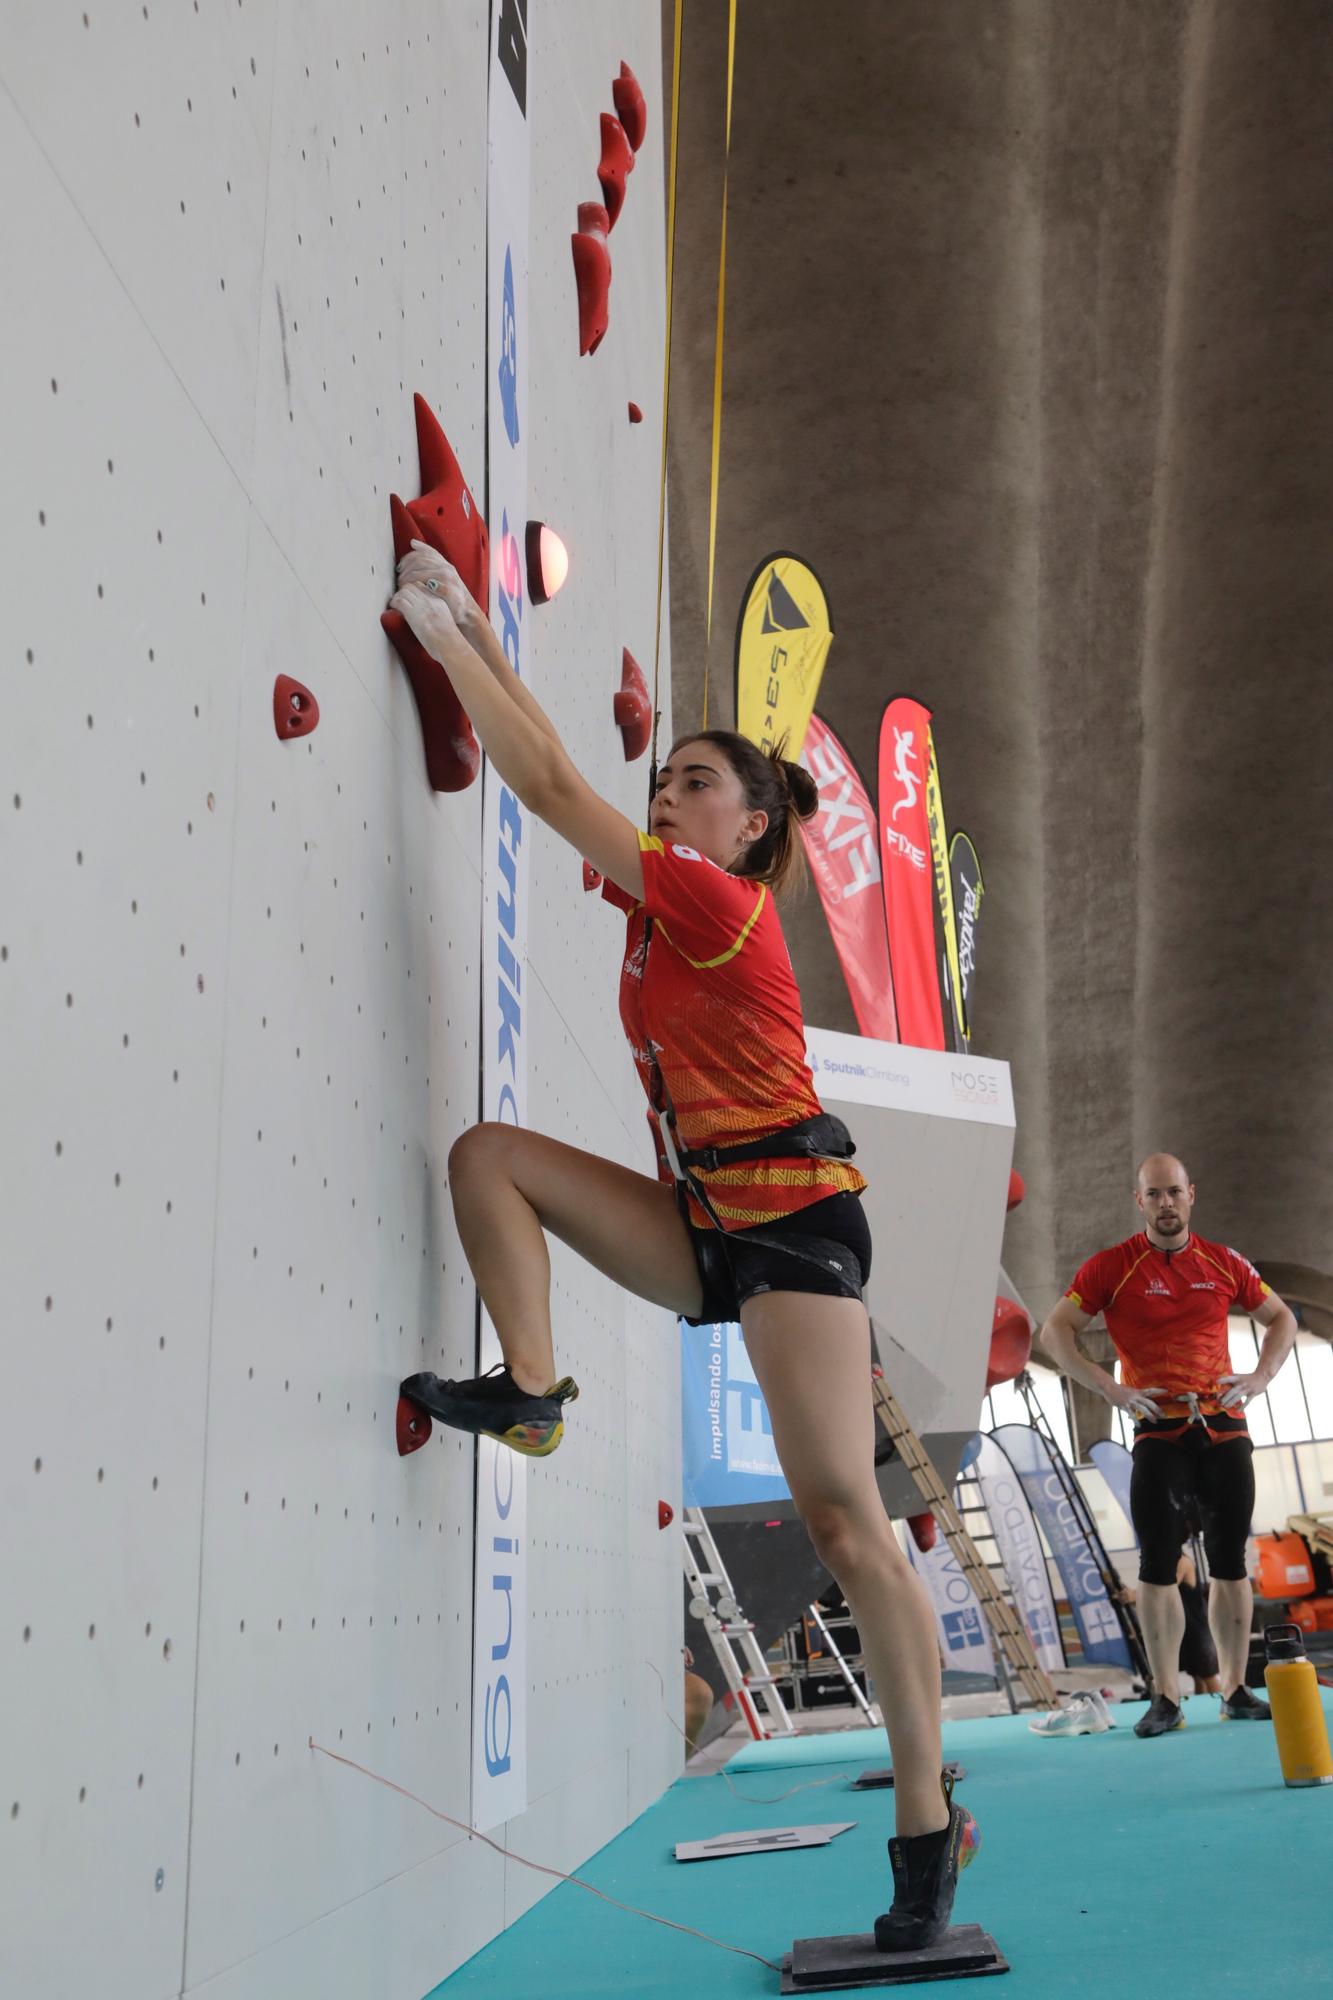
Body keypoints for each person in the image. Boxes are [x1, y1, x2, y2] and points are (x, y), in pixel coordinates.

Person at [389, 541, 979, 1949]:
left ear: (753, 830)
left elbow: (545, 789)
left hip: (788, 1228)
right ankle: (533, 1394)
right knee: (493, 1163)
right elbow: (553, 767)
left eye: (694, 785)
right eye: (664, 784)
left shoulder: (717, 911)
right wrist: (473, 624)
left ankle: (922, 1817)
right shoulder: (662, 904)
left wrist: (442, 640)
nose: (665, 798)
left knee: (840, 1513)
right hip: (705, 1218)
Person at [1042, 1152, 1297, 1737]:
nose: (1165, 1204)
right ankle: (1166, 1698)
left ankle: (1235, 1688)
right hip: (1158, 1431)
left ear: (1191, 1195)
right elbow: (1054, 1332)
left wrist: (1260, 1377)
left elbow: (1281, 1317)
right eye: (1153, 1195)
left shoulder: (1224, 1262)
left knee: (1230, 1563)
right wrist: (1108, 1386)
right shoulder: (1112, 1268)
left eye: (1173, 1193)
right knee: (1157, 1567)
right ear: (1140, 1202)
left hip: (1223, 1425)